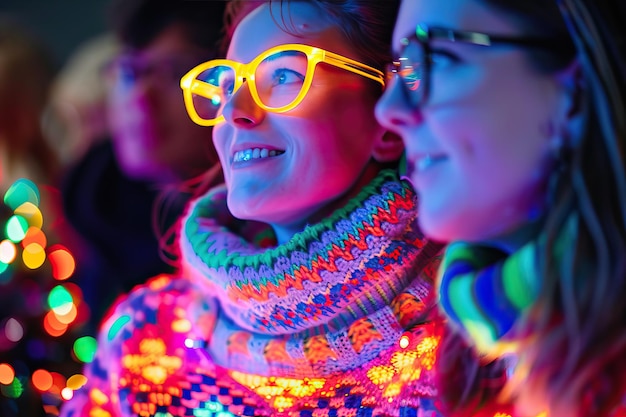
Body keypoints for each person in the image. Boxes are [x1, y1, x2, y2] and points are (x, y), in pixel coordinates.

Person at [59, 1, 518, 416]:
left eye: (282, 77)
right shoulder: (145, 338)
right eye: (226, 85)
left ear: (388, 115)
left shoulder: (483, 339)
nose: (235, 110)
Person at [375, 0, 626, 416]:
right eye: (402, 69)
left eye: (436, 58)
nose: (388, 110)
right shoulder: (470, 354)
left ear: (574, 94)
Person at [59, 0, 226, 334]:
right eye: (129, 72)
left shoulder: (253, 235)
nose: (139, 95)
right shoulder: (90, 207)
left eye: (174, 72)